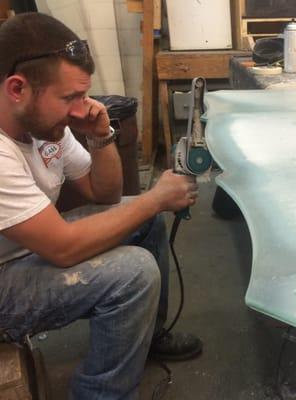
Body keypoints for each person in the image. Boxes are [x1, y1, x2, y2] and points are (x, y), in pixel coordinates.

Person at [0, 12, 202, 399]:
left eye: (82, 95)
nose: (80, 109)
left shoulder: (43, 126)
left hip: (26, 250)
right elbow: (63, 248)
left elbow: (105, 195)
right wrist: (156, 198)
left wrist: (101, 136)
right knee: (135, 271)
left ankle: (147, 335)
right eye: (69, 98)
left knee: (145, 221)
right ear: (17, 89)